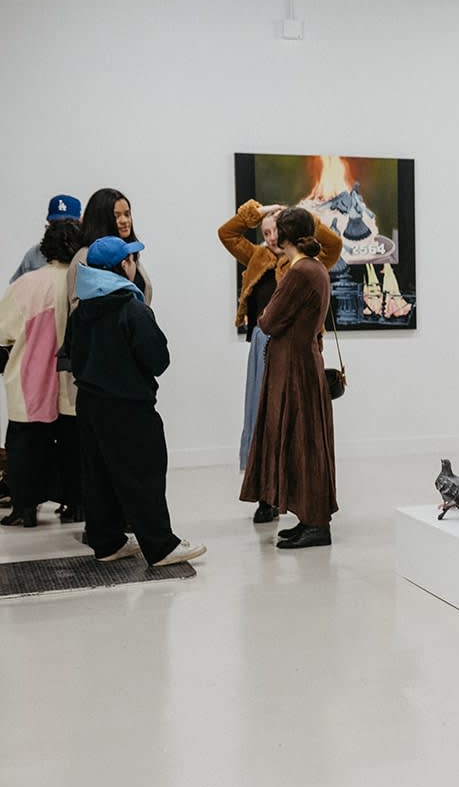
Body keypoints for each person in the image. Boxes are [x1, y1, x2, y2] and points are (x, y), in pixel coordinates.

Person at [66, 236, 204, 566]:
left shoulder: (82, 309)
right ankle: (160, 546)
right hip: (129, 406)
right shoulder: (132, 308)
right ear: (122, 266)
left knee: (98, 475)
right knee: (144, 473)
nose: (135, 265)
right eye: (132, 260)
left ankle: (107, 542)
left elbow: (70, 353)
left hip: (89, 403)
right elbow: (158, 359)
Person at [218, 199, 342, 522]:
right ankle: (268, 495)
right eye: (266, 232)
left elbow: (335, 243)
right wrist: (255, 213)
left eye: (276, 231)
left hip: (291, 348)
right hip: (268, 347)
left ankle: (293, 503)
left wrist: (304, 219)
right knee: (262, 416)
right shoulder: (259, 257)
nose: (271, 238)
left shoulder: (302, 267)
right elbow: (227, 234)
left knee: (288, 423)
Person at [0, 218, 84, 527]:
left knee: (25, 447)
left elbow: (3, 332)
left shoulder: (27, 284)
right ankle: (77, 504)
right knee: (74, 447)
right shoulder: (83, 281)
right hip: (73, 382)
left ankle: (25, 507)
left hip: (30, 381)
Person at [70, 188, 152, 304]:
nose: (124, 221)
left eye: (127, 214)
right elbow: (77, 307)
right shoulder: (85, 257)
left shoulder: (130, 253)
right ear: (101, 220)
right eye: (116, 216)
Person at [10, 193, 80, 283]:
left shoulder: (84, 255)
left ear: (79, 223)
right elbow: (16, 288)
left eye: (67, 224)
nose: (61, 230)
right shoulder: (34, 254)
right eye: (55, 224)